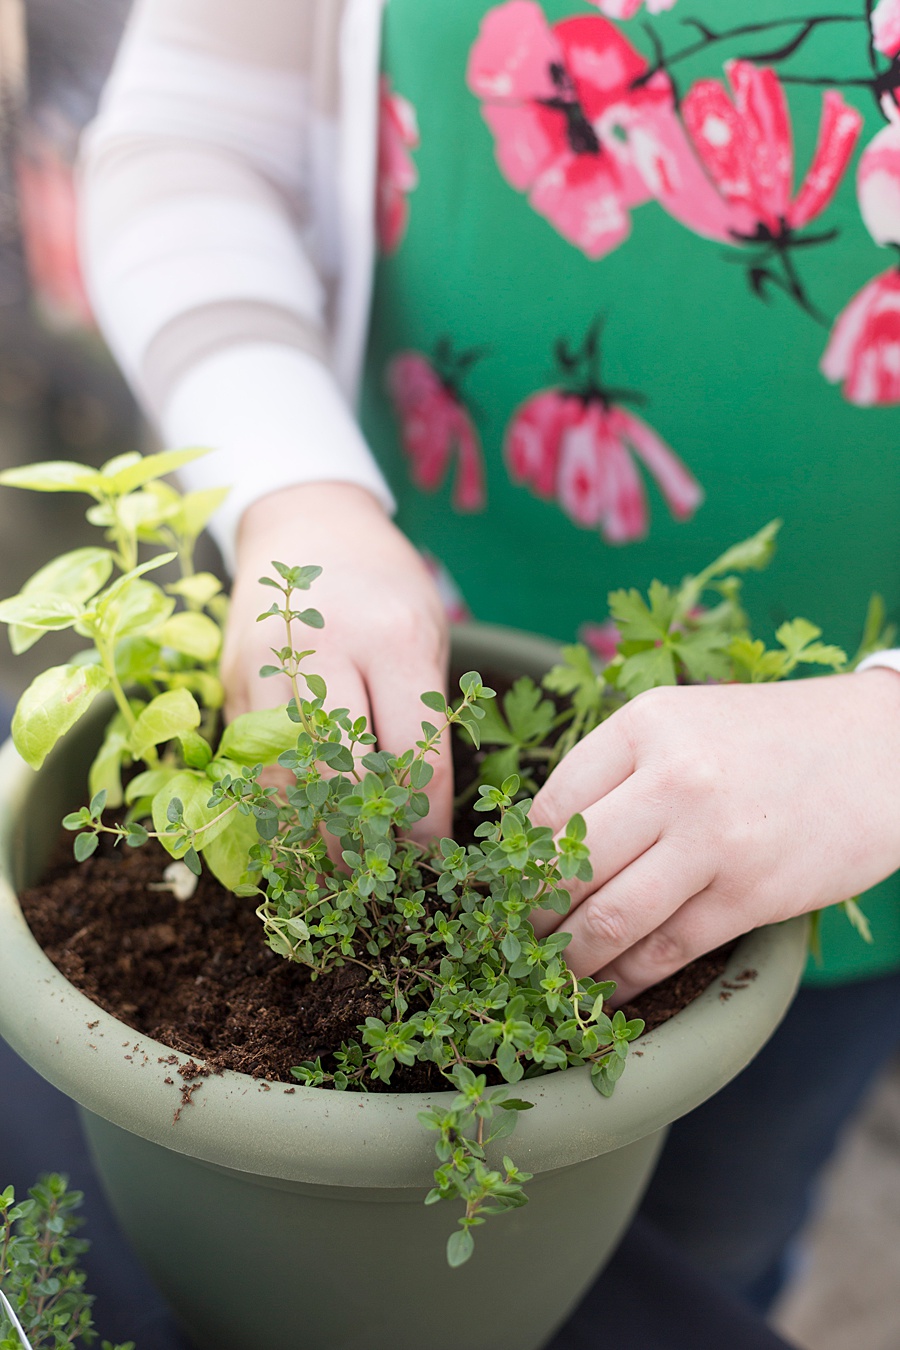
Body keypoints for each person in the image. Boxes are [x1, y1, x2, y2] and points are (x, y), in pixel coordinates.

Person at [77, 0, 900, 1309]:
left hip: (830, 847)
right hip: (395, 636)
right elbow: (191, 135)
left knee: (701, 1258)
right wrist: (299, 491)